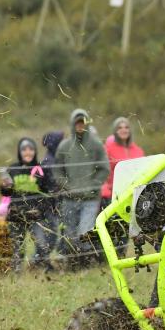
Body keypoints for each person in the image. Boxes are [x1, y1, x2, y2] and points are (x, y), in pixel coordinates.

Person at [54, 109, 107, 266]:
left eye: (83, 123)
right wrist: (66, 186)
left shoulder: (96, 144)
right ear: (72, 124)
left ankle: (86, 262)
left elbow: (104, 168)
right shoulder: (64, 145)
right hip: (69, 198)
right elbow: (57, 169)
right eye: (77, 123)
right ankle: (73, 263)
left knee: (85, 231)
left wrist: (94, 185)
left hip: (90, 198)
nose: (80, 126)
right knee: (70, 233)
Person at [0, 137, 53, 272]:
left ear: (35, 151)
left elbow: (47, 195)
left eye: (30, 149)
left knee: (42, 244)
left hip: (36, 216)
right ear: (19, 152)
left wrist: (40, 210)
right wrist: (4, 187)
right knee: (18, 247)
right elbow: (6, 193)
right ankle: (16, 273)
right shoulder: (13, 169)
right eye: (24, 149)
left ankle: (40, 269)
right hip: (16, 216)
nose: (28, 152)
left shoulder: (41, 170)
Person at [101, 117, 145, 255]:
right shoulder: (108, 149)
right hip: (113, 194)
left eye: (126, 127)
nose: (123, 130)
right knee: (113, 226)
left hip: (132, 195)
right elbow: (102, 170)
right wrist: (105, 189)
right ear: (115, 131)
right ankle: (108, 255)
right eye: (120, 127)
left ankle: (121, 255)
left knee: (126, 226)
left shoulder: (138, 150)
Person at [38, 131, 64, 261]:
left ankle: (42, 259)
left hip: (55, 206)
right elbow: (50, 187)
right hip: (51, 207)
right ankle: (39, 260)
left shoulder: (52, 160)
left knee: (55, 234)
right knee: (52, 235)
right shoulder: (49, 162)